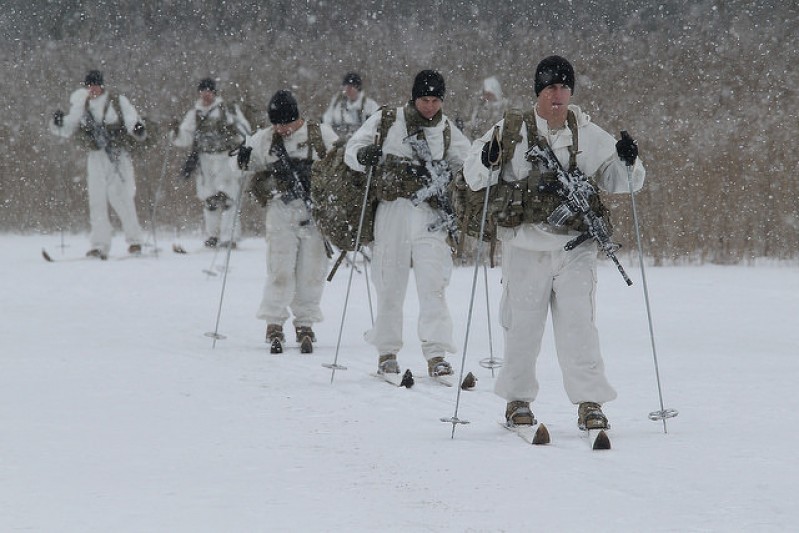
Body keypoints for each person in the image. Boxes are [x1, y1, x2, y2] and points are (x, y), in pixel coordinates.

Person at [462, 55, 646, 431]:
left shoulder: (588, 132)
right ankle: (517, 401)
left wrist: (630, 161)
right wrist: (487, 159)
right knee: (522, 328)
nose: (557, 95)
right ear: (539, 92)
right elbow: (474, 174)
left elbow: (623, 182)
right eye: (550, 88)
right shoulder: (512, 128)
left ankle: (590, 402)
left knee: (580, 326)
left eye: (563, 87)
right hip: (525, 247)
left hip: (574, 247)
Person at [345, 70, 471, 378]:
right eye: (424, 99)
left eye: (435, 100)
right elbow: (352, 149)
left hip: (430, 217)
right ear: (413, 98)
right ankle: (387, 351)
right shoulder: (388, 120)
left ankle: (436, 353)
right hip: (393, 212)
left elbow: (469, 162)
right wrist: (365, 154)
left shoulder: (446, 129)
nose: (429, 106)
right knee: (389, 284)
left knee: (434, 286)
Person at [235, 90, 338, 354]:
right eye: (277, 124)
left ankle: (305, 322)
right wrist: (243, 159)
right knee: (279, 267)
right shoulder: (264, 139)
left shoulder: (320, 136)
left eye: (287, 123)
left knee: (312, 269)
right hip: (280, 208)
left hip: (314, 212)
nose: (282, 129)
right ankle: (274, 321)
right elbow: (244, 166)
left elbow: (342, 164)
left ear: (297, 117)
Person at [50, 69, 147, 259]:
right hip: (95, 156)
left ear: (102, 85)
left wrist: (137, 128)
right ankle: (99, 244)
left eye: (95, 85)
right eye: (89, 85)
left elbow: (131, 119)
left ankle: (135, 241)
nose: (92, 89)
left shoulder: (118, 101)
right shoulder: (83, 104)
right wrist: (59, 122)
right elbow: (70, 126)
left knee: (122, 197)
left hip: (117, 155)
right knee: (96, 200)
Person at [171, 78, 252, 248]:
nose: (205, 94)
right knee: (210, 199)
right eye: (203, 91)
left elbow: (245, 130)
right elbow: (185, 137)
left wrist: (241, 143)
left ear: (214, 92)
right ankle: (212, 235)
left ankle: (230, 236)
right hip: (205, 159)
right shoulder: (195, 113)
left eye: (208, 91)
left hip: (225, 157)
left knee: (229, 198)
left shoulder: (227, 109)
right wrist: (175, 132)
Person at [322, 72, 380, 140]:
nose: (347, 90)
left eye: (350, 87)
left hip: (361, 143)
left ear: (358, 88)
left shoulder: (370, 105)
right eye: (346, 87)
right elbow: (326, 121)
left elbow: (376, 125)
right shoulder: (337, 103)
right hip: (338, 143)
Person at [465, 76, 509, 141]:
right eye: (485, 94)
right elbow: (475, 124)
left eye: (489, 94)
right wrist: (464, 125)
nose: (487, 97)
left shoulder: (502, 109)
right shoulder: (481, 107)